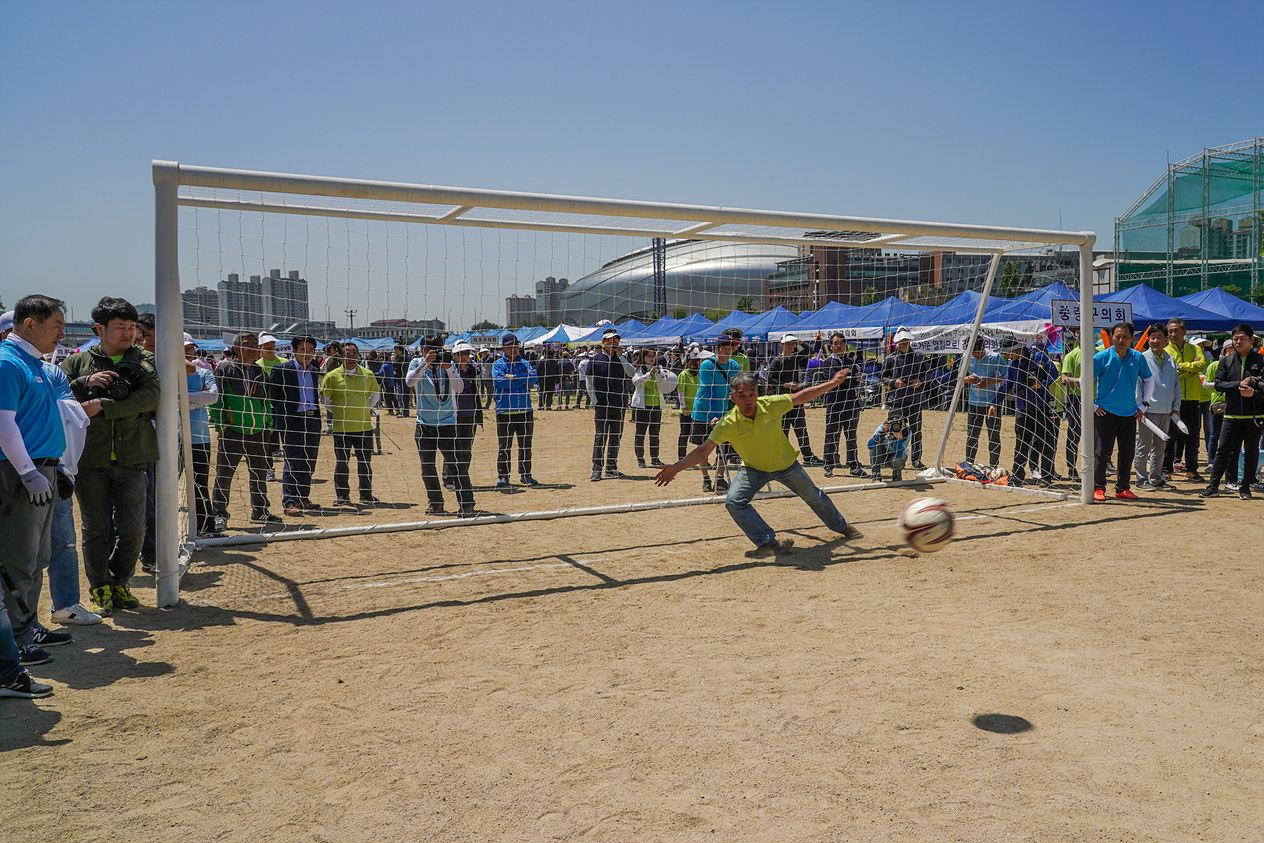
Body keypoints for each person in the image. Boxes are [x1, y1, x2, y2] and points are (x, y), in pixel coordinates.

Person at [654, 369, 863, 559]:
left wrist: (833, 383)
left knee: (815, 497)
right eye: (742, 396)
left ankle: (843, 528)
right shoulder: (728, 423)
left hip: (786, 465)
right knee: (733, 501)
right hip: (753, 469)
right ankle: (768, 543)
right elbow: (702, 450)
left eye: (752, 394)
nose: (748, 400)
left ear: (757, 393)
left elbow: (803, 396)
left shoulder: (770, 405)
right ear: (732, 397)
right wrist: (676, 468)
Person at [61, 296, 161, 615]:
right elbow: (57, 395)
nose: (128, 334)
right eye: (120, 328)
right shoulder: (77, 362)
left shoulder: (144, 358)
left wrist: (105, 406)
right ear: (98, 329)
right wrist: (84, 383)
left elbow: (151, 396)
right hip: (89, 459)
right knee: (96, 528)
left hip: (133, 456)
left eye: (132, 327)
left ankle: (121, 581)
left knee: (134, 527)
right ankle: (100, 587)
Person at [1, 296, 76, 666]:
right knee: (18, 559)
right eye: (57, 325)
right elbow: (3, 423)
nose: (62, 333)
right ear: (29, 325)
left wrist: (54, 466)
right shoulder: (7, 362)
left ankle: (27, 627)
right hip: (18, 474)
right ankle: (15, 639)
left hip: (42, 469)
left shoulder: (34, 363)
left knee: (37, 557)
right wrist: (29, 472)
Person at [211, 332, 280, 526]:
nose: (251, 349)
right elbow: (218, 401)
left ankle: (260, 511)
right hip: (232, 430)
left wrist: (267, 426)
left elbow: (267, 402)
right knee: (224, 474)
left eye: (255, 345)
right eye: (247, 345)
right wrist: (221, 425)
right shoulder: (224, 370)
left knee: (258, 474)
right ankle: (219, 514)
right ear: (236, 349)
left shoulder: (261, 373)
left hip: (258, 432)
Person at [407, 337, 474, 516]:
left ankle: (467, 503)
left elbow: (459, 388)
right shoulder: (416, 362)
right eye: (428, 349)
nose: (431, 353)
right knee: (427, 467)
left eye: (435, 349)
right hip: (424, 424)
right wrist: (424, 364)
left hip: (447, 423)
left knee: (456, 464)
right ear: (422, 350)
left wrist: (450, 368)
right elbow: (409, 382)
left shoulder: (447, 362)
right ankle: (436, 503)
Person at [1089, 322, 1153, 502]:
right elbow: (1085, 380)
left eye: (1125, 337)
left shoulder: (1138, 357)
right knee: (1102, 452)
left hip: (1129, 413)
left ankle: (1123, 488)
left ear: (1132, 338)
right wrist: (1092, 405)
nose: (1121, 340)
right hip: (1105, 412)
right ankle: (1098, 488)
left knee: (1127, 453)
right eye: (1117, 336)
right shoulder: (1101, 357)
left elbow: (1149, 380)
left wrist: (1144, 405)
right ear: (1111, 337)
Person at [1199, 324, 1264, 500]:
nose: (1238, 341)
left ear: (1252, 340)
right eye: (1235, 338)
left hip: (1254, 417)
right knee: (1223, 450)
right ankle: (1213, 486)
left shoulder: (1261, 361)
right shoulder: (1226, 361)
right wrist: (1239, 385)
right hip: (1231, 415)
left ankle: (1245, 487)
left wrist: (1253, 393)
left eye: (1242, 338)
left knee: (1251, 451)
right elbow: (1219, 384)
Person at [988, 339, 1058, 486]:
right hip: (1022, 409)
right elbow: (1006, 385)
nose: (1007, 357)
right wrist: (995, 402)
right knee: (1021, 444)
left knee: (1045, 442)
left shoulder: (1039, 357)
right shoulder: (1012, 365)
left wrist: (1041, 385)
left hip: (1040, 407)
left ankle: (1046, 477)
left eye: (1008, 353)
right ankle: (1018, 476)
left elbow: (1054, 373)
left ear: (1016, 350)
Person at [267, 335, 322, 516]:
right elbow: (271, 397)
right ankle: (289, 502)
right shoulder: (282, 370)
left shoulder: (314, 370)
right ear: (294, 351)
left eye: (311, 351)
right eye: (303, 350)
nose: (307, 354)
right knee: (292, 462)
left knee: (309, 462)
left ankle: (303, 498)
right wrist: (279, 420)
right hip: (292, 421)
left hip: (312, 419)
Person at [321, 341, 380, 505]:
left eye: (354, 353)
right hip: (341, 428)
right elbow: (325, 401)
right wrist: (340, 412)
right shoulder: (332, 376)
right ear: (340, 357)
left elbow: (375, 396)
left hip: (364, 427)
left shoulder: (367, 374)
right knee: (341, 463)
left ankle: (366, 495)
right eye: (347, 354)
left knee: (365, 463)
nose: (351, 357)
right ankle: (342, 496)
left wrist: (364, 409)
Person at [692, 335, 742, 493]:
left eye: (731, 347)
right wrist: (714, 415)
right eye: (725, 347)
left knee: (724, 445)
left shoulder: (734, 364)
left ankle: (720, 478)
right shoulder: (707, 365)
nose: (728, 350)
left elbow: (735, 387)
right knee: (704, 447)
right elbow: (709, 390)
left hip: (724, 411)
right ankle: (706, 478)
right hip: (703, 410)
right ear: (717, 348)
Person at [1135, 323, 1181, 491]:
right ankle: (1141, 480)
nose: (1155, 341)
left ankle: (1156, 478)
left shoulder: (1170, 359)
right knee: (1144, 445)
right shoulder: (1142, 358)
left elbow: (1176, 385)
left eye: (1159, 337)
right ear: (1147, 340)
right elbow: (1137, 385)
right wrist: (1139, 407)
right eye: (1152, 338)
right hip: (1148, 411)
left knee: (1160, 447)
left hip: (1166, 411)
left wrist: (1176, 407)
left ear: (1166, 340)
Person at [184, 334, 222, 534]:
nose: (188, 352)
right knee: (164, 486)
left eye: (190, 348)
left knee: (200, 484)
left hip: (199, 437)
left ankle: (206, 527)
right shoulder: (163, 373)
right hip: (170, 438)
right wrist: (198, 399)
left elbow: (213, 397)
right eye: (184, 348)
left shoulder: (203, 372)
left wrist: (181, 397)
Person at [768, 335, 824, 466]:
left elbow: (810, 350)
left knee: (801, 429)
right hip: (782, 400)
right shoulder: (777, 360)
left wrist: (799, 341)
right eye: (788, 343)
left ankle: (808, 456)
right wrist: (787, 385)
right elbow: (770, 379)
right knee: (783, 430)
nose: (791, 346)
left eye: (792, 344)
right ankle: (784, 456)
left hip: (796, 399)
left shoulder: (795, 358)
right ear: (781, 345)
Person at [880, 327, 932, 470]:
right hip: (897, 400)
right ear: (897, 342)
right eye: (901, 341)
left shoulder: (919, 357)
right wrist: (893, 382)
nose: (904, 343)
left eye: (906, 341)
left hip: (915, 400)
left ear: (909, 340)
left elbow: (929, 374)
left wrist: (921, 381)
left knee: (916, 431)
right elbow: (882, 377)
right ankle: (890, 457)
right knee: (893, 429)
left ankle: (916, 459)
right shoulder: (890, 358)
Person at [491, 334, 538, 487]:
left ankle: (526, 474)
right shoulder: (497, 365)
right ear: (503, 348)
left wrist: (515, 377)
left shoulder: (525, 363)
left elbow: (534, 378)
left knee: (526, 445)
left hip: (525, 411)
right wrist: (522, 381)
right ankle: (503, 476)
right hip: (504, 412)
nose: (514, 349)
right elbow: (500, 381)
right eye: (510, 346)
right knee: (504, 446)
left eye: (516, 346)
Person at [1163, 318, 1207, 482]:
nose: (1173, 334)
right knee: (1170, 436)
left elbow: (1201, 365)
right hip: (1174, 399)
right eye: (1170, 331)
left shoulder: (1195, 348)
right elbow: (1170, 373)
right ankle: (1166, 469)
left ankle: (1191, 470)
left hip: (1194, 398)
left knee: (1193, 436)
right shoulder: (1165, 350)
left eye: (1176, 331)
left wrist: (1181, 366)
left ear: (1184, 332)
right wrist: (1190, 368)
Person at [588, 329, 635, 481]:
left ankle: (611, 467)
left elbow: (632, 373)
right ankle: (597, 469)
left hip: (619, 403)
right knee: (600, 437)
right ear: (604, 343)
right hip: (602, 404)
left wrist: (621, 357)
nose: (614, 344)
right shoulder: (595, 359)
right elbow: (588, 382)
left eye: (616, 341)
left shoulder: (622, 359)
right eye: (610, 341)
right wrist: (595, 400)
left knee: (616, 436)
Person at [815, 332, 864, 477]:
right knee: (831, 435)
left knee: (851, 436)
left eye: (841, 343)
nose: (838, 346)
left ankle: (853, 464)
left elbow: (857, 379)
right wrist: (848, 380)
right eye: (835, 343)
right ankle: (828, 465)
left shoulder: (851, 361)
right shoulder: (828, 362)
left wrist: (844, 380)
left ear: (845, 345)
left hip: (850, 404)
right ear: (831, 346)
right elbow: (832, 382)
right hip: (834, 404)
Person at [444, 341, 483, 497]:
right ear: (454, 355)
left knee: (466, 448)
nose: (465, 356)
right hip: (453, 415)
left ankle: (463, 478)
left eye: (467, 353)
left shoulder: (472, 370)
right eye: (461, 354)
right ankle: (448, 479)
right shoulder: (449, 369)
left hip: (470, 413)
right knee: (452, 448)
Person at [630, 347, 678, 468]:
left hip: (656, 405)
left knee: (655, 434)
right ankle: (640, 459)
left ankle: (655, 458)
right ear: (643, 357)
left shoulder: (659, 369)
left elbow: (665, 383)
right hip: (642, 406)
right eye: (649, 356)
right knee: (640, 433)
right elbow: (635, 381)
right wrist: (648, 375)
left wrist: (662, 376)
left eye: (653, 356)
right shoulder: (640, 369)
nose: (651, 358)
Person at [962, 338, 1005, 468]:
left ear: (984, 347)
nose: (977, 356)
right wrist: (968, 379)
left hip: (992, 403)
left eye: (979, 353)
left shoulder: (996, 357)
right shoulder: (966, 357)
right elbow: (959, 377)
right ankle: (969, 464)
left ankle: (993, 467)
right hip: (974, 403)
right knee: (972, 436)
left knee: (993, 436)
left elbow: (1007, 376)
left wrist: (989, 381)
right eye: (974, 354)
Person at [1059, 331, 1084, 481]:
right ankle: (1071, 467)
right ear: (1076, 334)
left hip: (1098, 399)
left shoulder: (1099, 353)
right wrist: (1081, 381)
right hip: (1077, 399)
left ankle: (1099, 466)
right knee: (1074, 434)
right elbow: (1064, 379)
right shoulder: (1071, 355)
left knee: (1098, 436)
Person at [868, 413, 909, 482]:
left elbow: (898, 454)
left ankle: (897, 474)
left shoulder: (906, 431)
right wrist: (881, 434)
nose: (896, 424)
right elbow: (870, 446)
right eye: (892, 421)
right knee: (875, 445)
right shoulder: (882, 428)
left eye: (899, 421)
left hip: (895, 458)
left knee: (900, 458)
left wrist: (898, 438)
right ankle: (876, 475)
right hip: (882, 455)